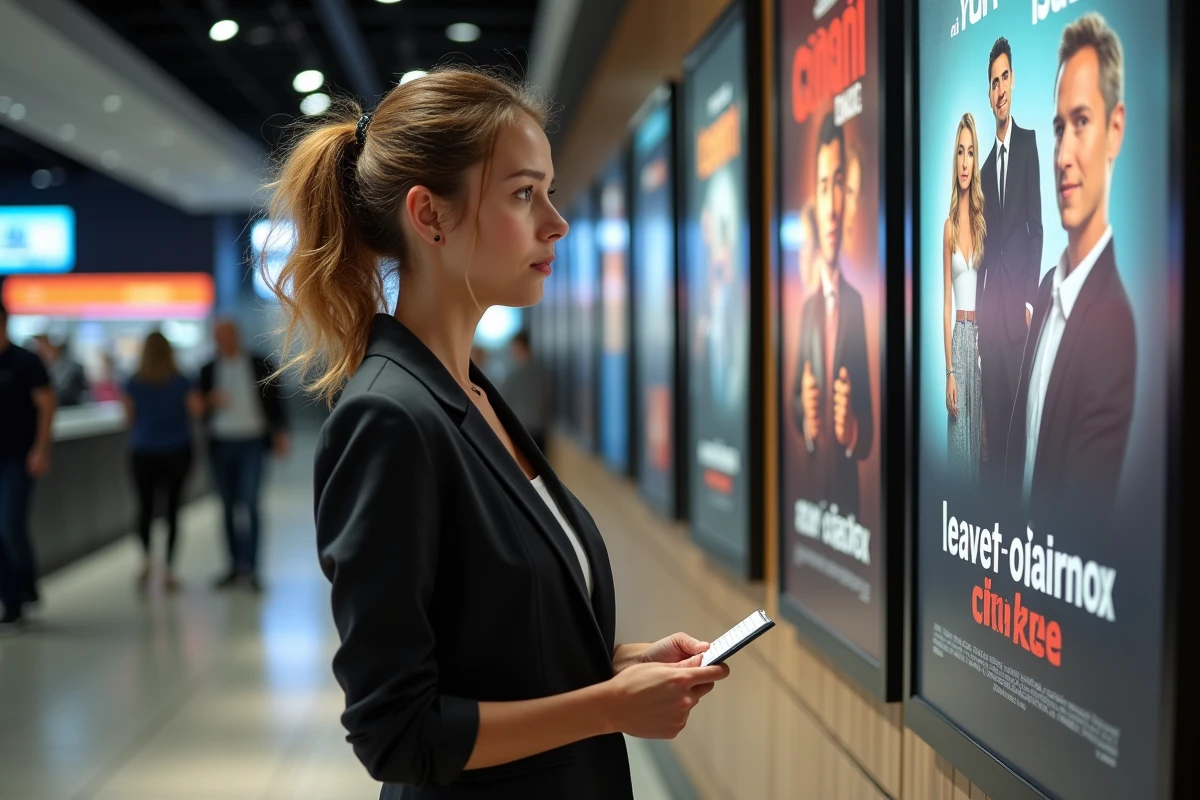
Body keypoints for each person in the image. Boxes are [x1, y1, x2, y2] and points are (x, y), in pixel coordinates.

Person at [266, 68, 729, 798]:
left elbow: (487, 646)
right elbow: (399, 734)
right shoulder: (388, 418)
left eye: (547, 189)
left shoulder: (472, 394)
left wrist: (613, 666)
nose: (556, 220)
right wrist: (608, 706)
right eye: (523, 193)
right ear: (430, 216)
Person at [1005, 12, 1134, 526]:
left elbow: (1080, 524)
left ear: (1115, 130)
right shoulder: (1046, 288)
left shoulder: (1114, 327)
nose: (1062, 154)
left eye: (1081, 122)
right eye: (1059, 128)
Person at [792, 112, 874, 519]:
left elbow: (870, 431)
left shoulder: (858, 305)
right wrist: (807, 417)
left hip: (848, 511)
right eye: (824, 185)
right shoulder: (807, 312)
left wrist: (851, 430)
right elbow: (793, 398)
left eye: (840, 182)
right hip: (810, 503)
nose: (832, 206)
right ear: (816, 196)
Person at [978, 36, 1043, 482]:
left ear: (1013, 82)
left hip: (1017, 315)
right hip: (989, 316)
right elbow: (985, 251)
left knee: (1016, 436)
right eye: (993, 82)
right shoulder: (981, 170)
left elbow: (1036, 229)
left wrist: (1028, 302)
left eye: (1005, 78)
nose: (1000, 89)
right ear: (988, 93)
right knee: (994, 422)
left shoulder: (1028, 143)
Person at [198, 319, 289, 592]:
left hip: (252, 441)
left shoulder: (261, 364)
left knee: (250, 503)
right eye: (218, 337)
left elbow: (276, 400)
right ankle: (234, 566)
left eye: (227, 335)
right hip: (220, 442)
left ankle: (252, 568)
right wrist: (208, 402)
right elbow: (197, 406)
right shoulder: (207, 369)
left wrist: (282, 432)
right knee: (226, 506)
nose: (223, 341)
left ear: (237, 336)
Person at [121, 332, 203, 593]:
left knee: (145, 508)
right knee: (172, 510)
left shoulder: (133, 382)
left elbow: (129, 418)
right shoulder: (181, 381)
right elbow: (195, 411)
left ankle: (146, 560)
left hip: (144, 450)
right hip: (177, 450)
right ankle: (168, 569)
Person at [0, 300, 56, 634]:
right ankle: (12, 601)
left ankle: (26, 583)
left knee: (10, 525)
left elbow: (47, 405)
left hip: (19, 458)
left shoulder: (26, 362)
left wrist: (41, 448)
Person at [944, 112, 987, 483]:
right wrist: (950, 372)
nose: (965, 161)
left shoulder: (983, 220)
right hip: (959, 339)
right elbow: (945, 303)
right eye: (960, 151)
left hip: (983, 343)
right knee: (960, 459)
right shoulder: (949, 228)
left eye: (971, 152)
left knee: (983, 453)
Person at [499, 330, 555, 455]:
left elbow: (502, 403)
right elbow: (548, 402)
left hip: (520, 432)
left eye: (513, 348)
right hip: (540, 431)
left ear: (520, 347)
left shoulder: (512, 376)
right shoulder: (543, 373)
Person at [33, 334, 88, 407]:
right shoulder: (40, 367)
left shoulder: (73, 368)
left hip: (70, 410)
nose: (39, 349)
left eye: (43, 345)